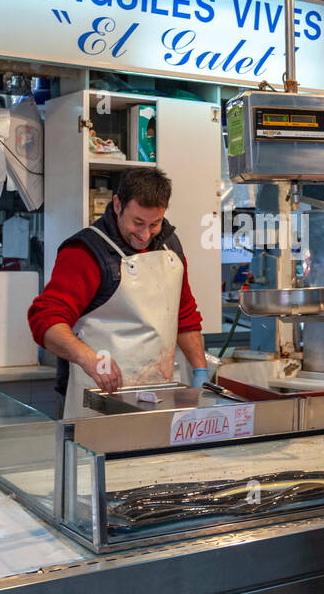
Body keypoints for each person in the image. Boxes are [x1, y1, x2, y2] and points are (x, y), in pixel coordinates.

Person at [29, 168, 207, 418]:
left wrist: (200, 370)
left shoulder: (170, 245)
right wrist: (89, 359)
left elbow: (184, 314)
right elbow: (46, 320)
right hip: (100, 400)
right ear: (117, 205)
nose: (145, 235)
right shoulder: (86, 252)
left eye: (154, 223)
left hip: (162, 394)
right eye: (137, 222)